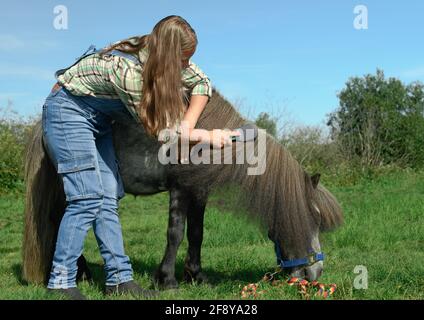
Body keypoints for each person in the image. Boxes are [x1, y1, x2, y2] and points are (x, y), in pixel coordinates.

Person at [42, 15, 239, 300]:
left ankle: (119, 280)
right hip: (68, 113)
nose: (186, 67)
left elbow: (202, 84)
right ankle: (60, 282)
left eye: (188, 60)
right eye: (183, 61)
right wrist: (208, 136)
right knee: (86, 197)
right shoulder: (129, 72)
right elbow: (161, 133)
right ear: (169, 56)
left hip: (98, 119)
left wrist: (188, 126)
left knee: (108, 197)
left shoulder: (165, 58)